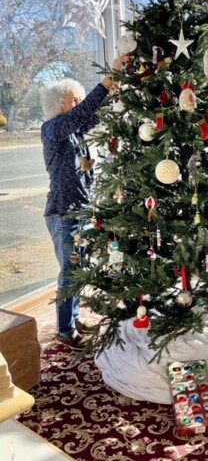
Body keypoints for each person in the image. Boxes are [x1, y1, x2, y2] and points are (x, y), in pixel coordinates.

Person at [41, 54, 126, 351]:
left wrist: (117, 88)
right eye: (72, 100)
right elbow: (83, 114)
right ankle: (64, 332)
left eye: (79, 99)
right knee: (69, 274)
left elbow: (93, 114)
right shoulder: (52, 129)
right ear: (57, 106)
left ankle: (73, 319)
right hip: (63, 213)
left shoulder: (75, 132)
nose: (77, 105)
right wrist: (106, 80)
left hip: (81, 212)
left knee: (79, 270)